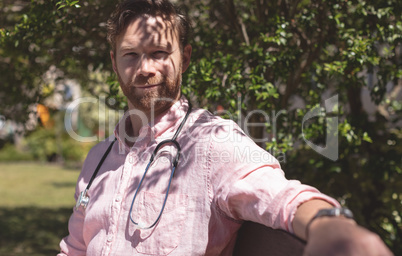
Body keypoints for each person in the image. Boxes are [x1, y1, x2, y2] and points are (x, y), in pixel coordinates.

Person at [58, 0, 393, 255]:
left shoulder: (211, 143)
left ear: (185, 58)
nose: (144, 68)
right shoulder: (98, 160)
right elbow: (74, 247)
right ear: (114, 62)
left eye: (159, 52)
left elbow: (282, 197)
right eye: (130, 54)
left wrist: (329, 225)